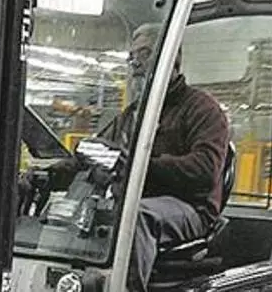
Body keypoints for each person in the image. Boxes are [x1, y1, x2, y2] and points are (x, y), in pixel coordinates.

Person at [45, 23, 230, 291]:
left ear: (171, 57)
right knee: (72, 211)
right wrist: (47, 176)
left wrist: (139, 167)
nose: (136, 64)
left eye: (144, 54)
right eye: (132, 57)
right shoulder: (134, 114)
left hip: (189, 206)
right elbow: (96, 153)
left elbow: (205, 169)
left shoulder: (202, 109)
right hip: (132, 199)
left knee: (135, 217)